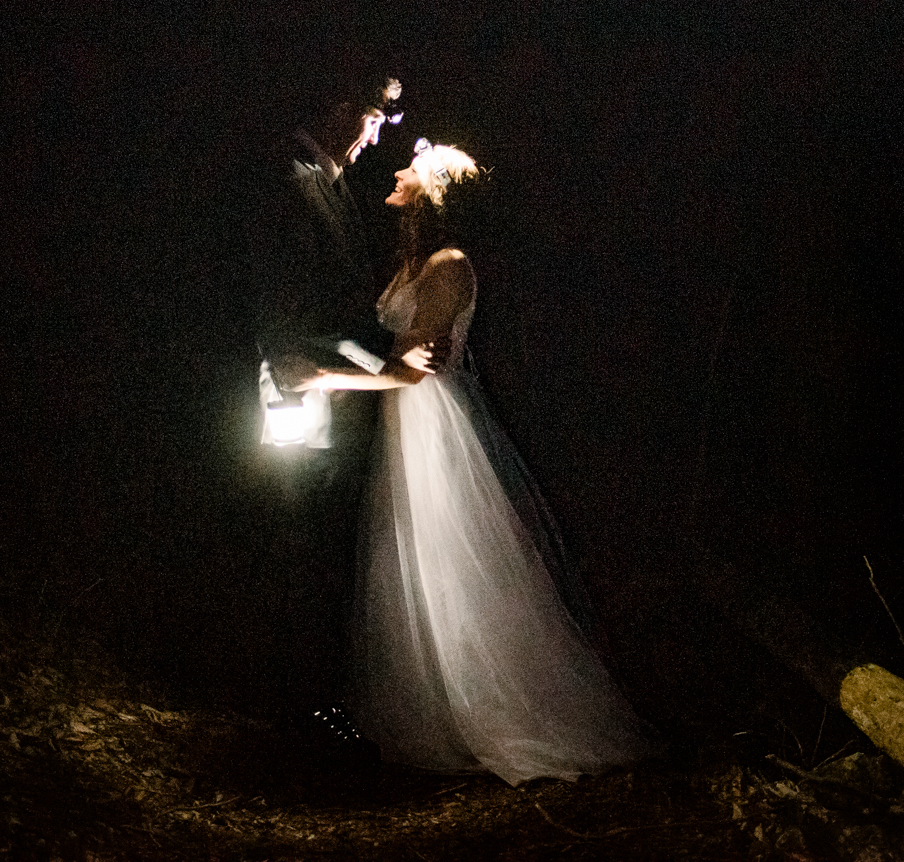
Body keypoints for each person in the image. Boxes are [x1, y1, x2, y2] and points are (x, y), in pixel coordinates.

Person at [348, 137, 656, 784]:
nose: (401, 167)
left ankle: (504, 708)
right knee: (407, 557)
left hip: (433, 423)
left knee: (453, 557)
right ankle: (429, 707)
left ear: (433, 192)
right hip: (401, 418)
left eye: (413, 165)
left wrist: (362, 355)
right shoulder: (415, 257)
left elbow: (418, 354)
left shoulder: (451, 262)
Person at [254, 82, 404, 719]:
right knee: (298, 532)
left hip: (335, 378)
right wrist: (292, 362)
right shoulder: (287, 176)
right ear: (341, 106)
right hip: (295, 378)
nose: (374, 140)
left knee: (324, 530)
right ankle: (296, 701)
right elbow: (272, 276)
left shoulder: (334, 181)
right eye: (372, 120)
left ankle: (322, 694)